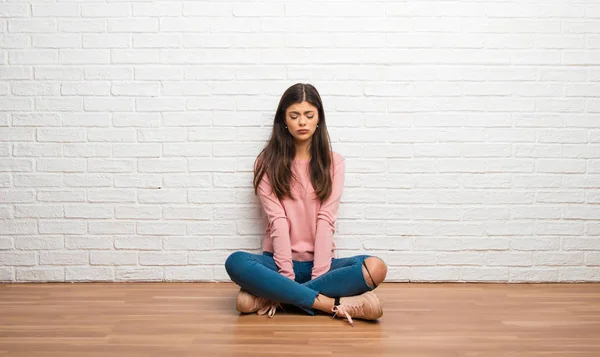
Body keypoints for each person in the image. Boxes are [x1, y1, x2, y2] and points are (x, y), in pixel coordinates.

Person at [224, 83, 388, 327]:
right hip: (277, 264)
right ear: (284, 121)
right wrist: (287, 277)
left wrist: (316, 276)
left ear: (318, 118)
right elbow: (277, 221)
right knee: (235, 261)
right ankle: (331, 304)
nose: (302, 122)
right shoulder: (265, 162)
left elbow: (326, 220)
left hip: (322, 265)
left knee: (376, 267)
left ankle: (277, 296)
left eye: (309, 115)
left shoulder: (335, 163)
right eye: (294, 115)